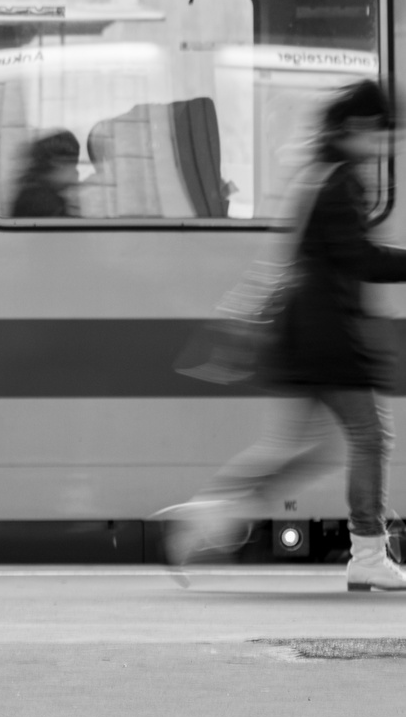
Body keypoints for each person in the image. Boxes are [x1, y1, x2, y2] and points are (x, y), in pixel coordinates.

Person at [160, 80, 406, 591]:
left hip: (304, 332)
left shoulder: (318, 174)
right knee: (370, 436)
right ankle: (367, 551)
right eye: (381, 133)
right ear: (359, 127)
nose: (383, 143)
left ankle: (212, 512)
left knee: (302, 445)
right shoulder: (343, 181)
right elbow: (357, 258)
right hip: (329, 332)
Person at [10, 130, 80, 218]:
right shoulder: (44, 201)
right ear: (58, 164)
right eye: (72, 165)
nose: (76, 172)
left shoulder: (31, 192)